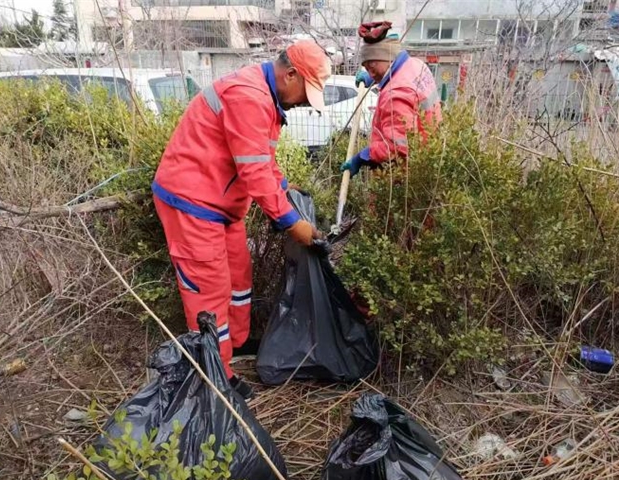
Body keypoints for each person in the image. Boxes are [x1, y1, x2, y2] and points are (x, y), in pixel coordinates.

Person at [152, 40, 332, 401]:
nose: (301, 103)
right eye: (304, 93)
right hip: (192, 203)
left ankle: (235, 341)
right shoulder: (249, 96)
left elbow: (261, 160)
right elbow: (254, 174)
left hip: (221, 206)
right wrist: (294, 225)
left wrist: (282, 185)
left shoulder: (267, 99)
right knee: (209, 290)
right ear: (290, 74)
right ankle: (217, 376)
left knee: (238, 277)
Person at [341, 22, 442, 177]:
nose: (371, 73)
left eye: (372, 68)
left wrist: (362, 157)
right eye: (367, 68)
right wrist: (375, 77)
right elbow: (396, 75)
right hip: (431, 155)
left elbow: (396, 147)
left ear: (386, 57)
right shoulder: (416, 65)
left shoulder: (395, 94)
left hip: (405, 173)